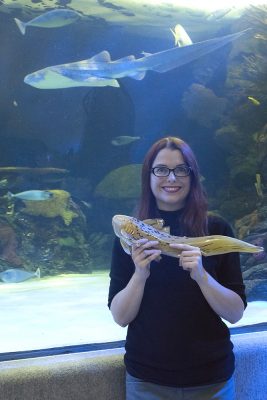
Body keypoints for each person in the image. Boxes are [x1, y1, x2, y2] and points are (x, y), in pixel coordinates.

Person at [108, 136, 246, 400]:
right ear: (148, 175)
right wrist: (140, 273)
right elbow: (120, 317)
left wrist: (202, 276)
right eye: (161, 169)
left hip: (212, 380)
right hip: (146, 380)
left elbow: (235, 313)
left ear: (192, 176)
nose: (171, 178)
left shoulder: (216, 229)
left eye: (181, 169)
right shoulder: (130, 236)